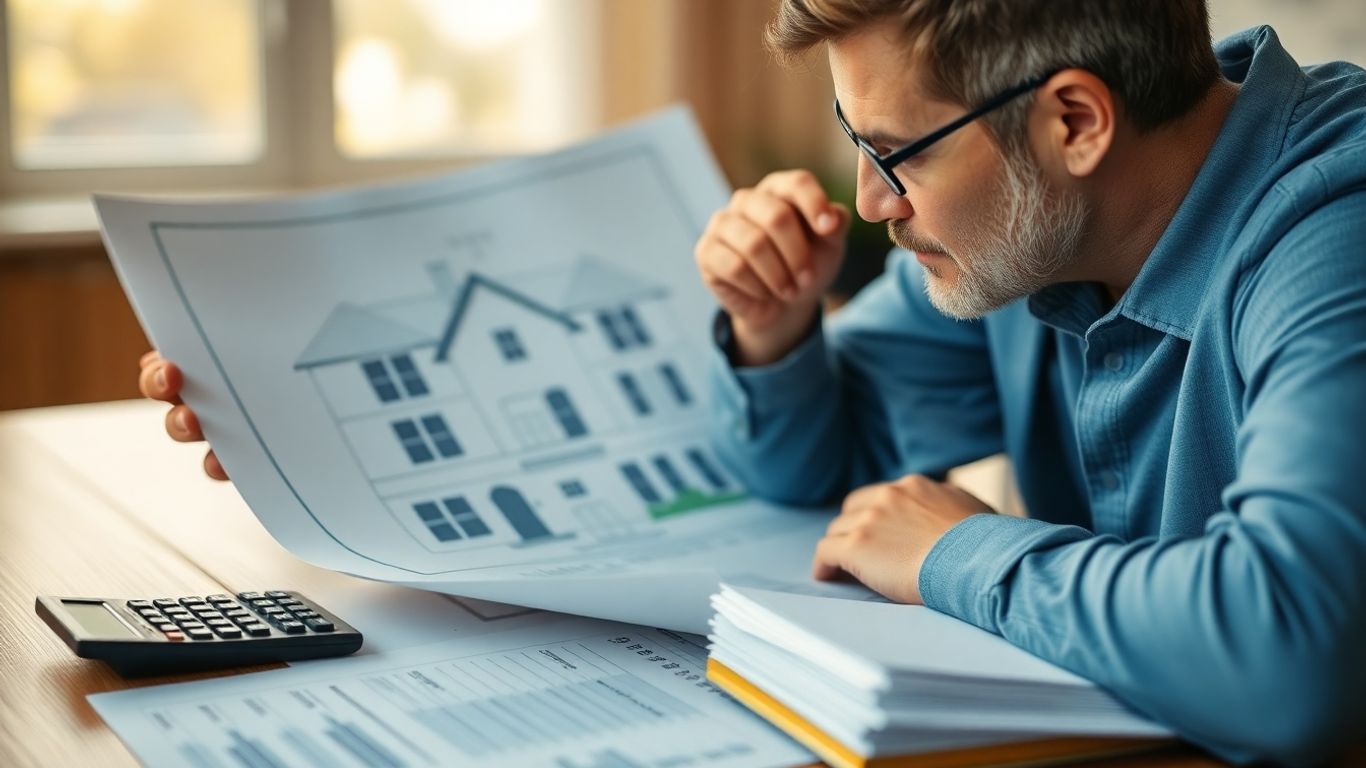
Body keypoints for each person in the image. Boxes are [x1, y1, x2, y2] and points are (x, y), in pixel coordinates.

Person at [140, 1, 1364, 763]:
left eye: (893, 154)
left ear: (1074, 123)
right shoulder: (1047, 227)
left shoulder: (1333, 229)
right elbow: (817, 471)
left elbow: (1289, 659)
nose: (866, 203)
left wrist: (959, 554)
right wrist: (777, 334)